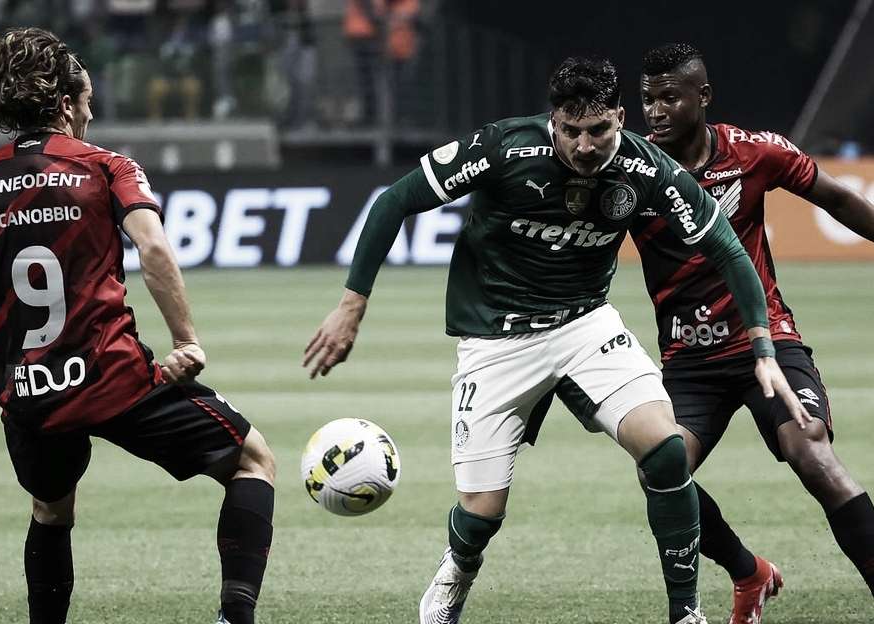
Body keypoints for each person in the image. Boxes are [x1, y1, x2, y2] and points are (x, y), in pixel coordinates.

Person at [304, 56, 812, 624]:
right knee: (482, 512)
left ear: (620, 117)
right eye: (571, 131)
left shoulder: (648, 169)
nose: (586, 146)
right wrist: (352, 305)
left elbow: (727, 249)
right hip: (496, 340)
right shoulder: (502, 148)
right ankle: (457, 571)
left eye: (599, 130)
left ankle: (686, 613)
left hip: (585, 326)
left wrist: (764, 348)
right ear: (553, 122)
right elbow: (395, 200)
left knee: (666, 451)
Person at [0, 27, 275, 624]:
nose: (90, 116)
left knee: (51, 511)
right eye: (86, 105)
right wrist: (186, 340)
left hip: (29, 396)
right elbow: (153, 250)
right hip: (114, 379)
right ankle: (234, 619)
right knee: (252, 460)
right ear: (64, 104)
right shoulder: (106, 167)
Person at [635, 42, 874, 622]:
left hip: (766, 345)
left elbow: (838, 197)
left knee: (808, 448)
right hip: (689, 361)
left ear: (703, 97)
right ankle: (749, 572)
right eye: (647, 100)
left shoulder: (755, 152)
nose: (656, 111)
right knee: (660, 472)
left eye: (670, 97)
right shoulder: (630, 170)